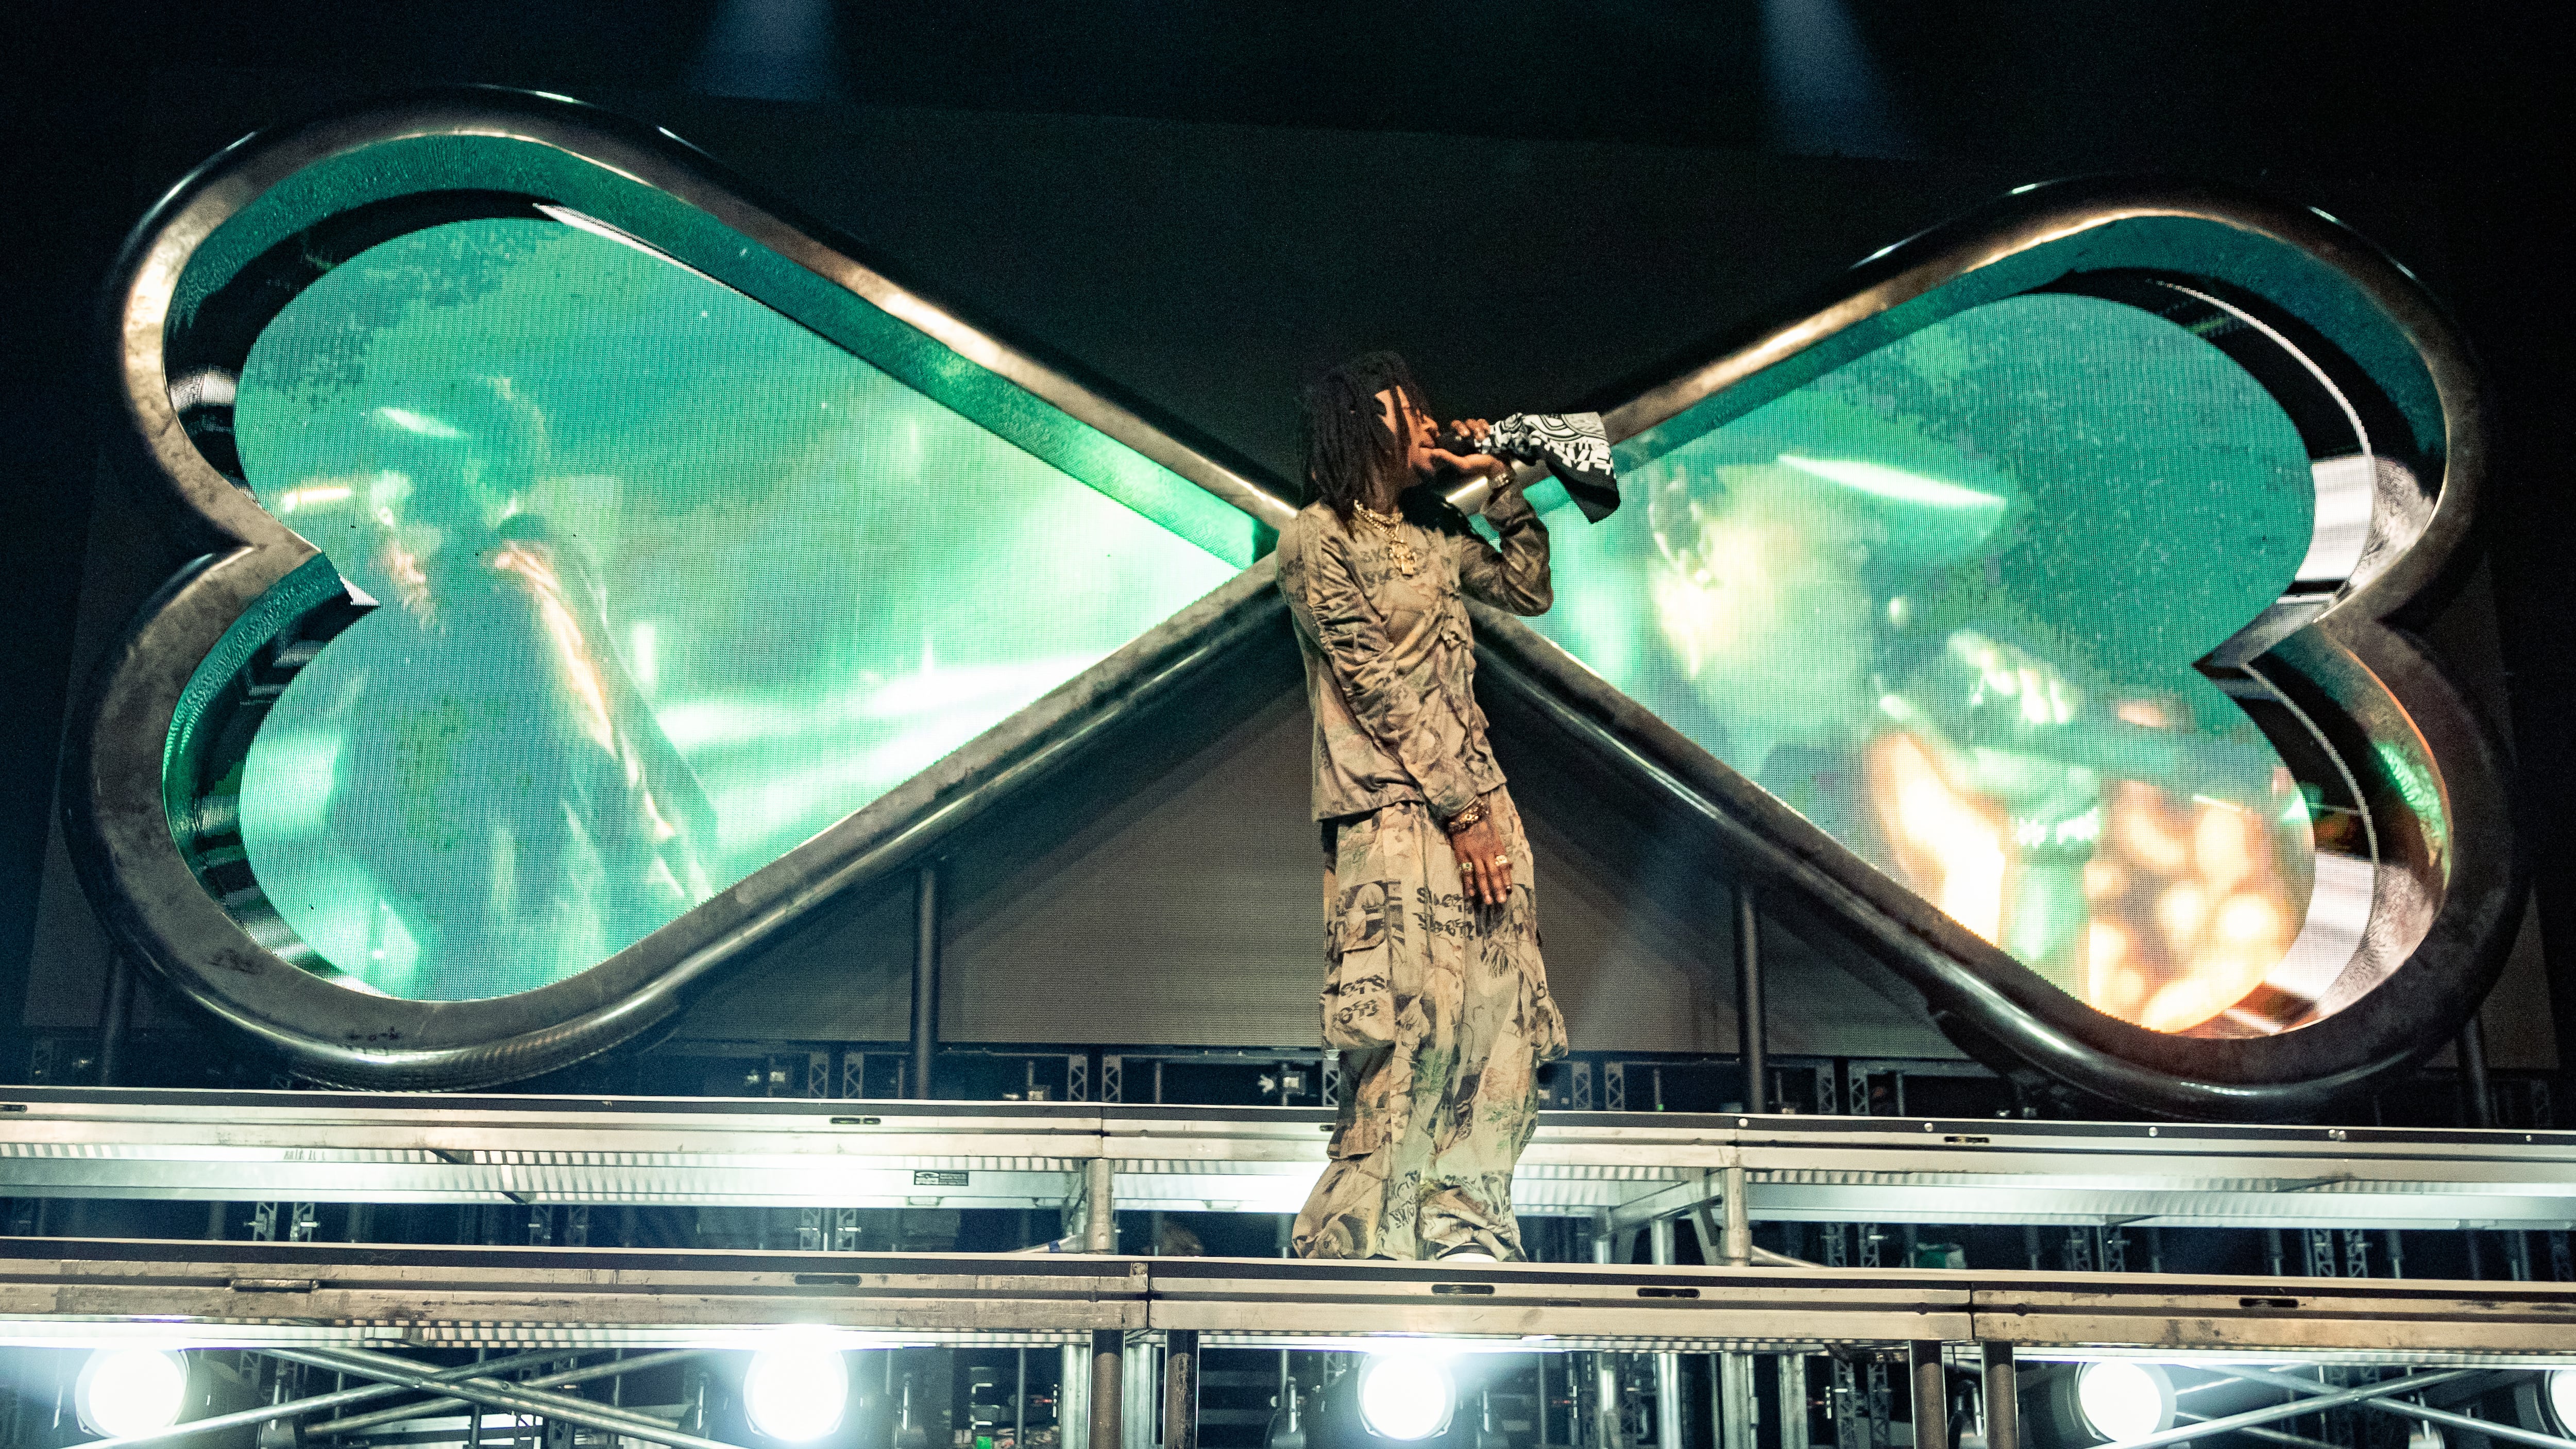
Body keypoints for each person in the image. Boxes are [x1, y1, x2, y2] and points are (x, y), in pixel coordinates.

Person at [1276, 351, 1569, 1262]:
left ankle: (1462, 1220)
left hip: (1476, 811)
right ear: (1366, 423)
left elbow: (1528, 587)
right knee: (1412, 1025)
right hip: (1396, 816)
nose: (1432, 424)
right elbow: (1373, 685)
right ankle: (1369, 1232)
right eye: (1412, 411)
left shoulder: (1436, 536)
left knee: (1499, 1018)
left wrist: (1501, 482)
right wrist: (1461, 811)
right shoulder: (1318, 540)